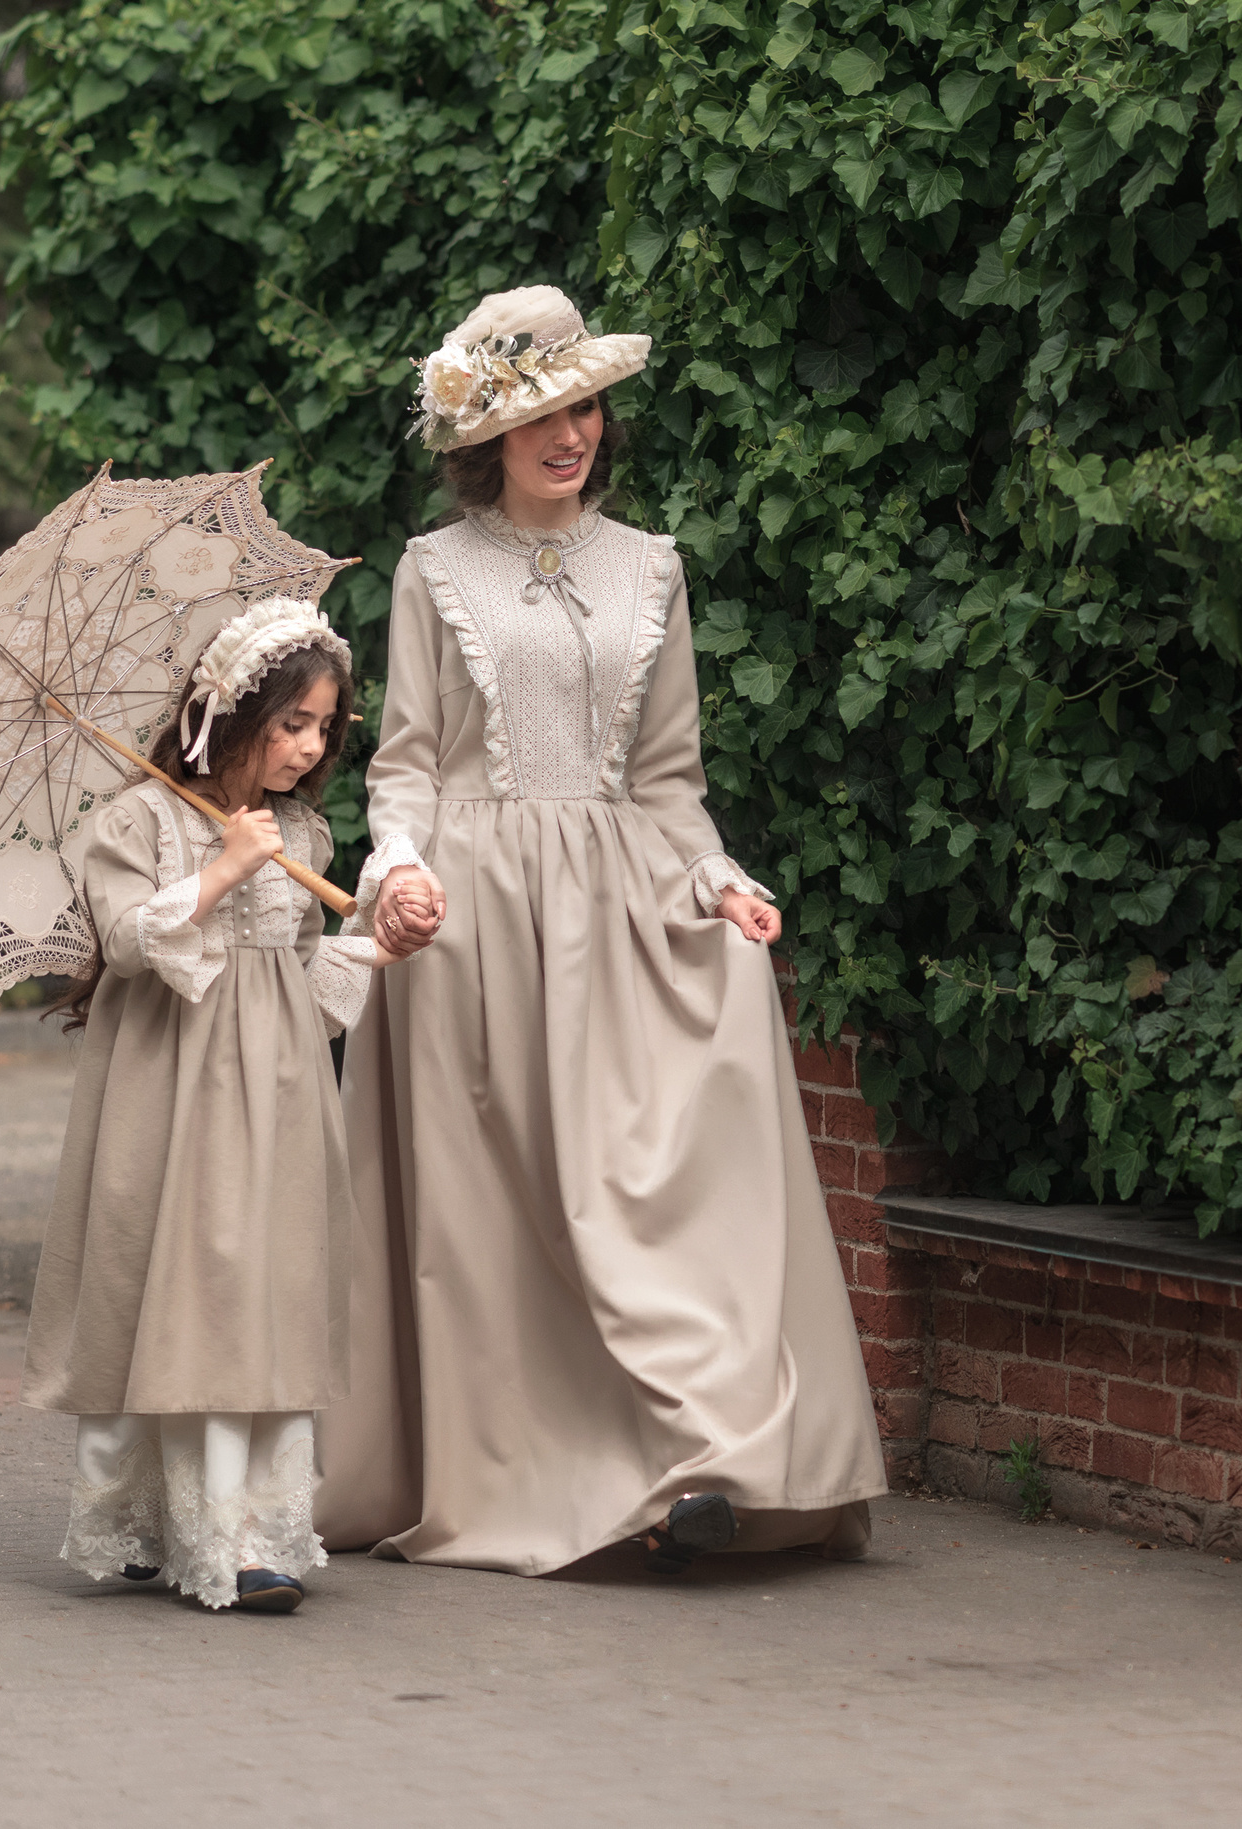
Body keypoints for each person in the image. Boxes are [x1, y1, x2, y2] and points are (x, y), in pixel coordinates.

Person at [315, 285, 888, 1576]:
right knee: (510, 1217)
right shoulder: (431, 569)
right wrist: (395, 868)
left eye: (583, 406)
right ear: (488, 438)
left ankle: (710, 1462)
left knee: (654, 1175)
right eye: (539, 415)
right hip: (471, 913)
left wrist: (719, 883)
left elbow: (670, 777)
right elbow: (402, 766)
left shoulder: (656, 565)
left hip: (619, 903)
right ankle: (530, 1470)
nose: (571, 433)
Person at [22, 597, 400, 1613]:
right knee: (186, 1288)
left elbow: (304, 980)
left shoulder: (304, 833)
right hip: (175, 1094)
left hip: (276, 1096)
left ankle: (257, 1522)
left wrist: (379, 942)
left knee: (261, 1285)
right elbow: (133, 938)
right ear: (228, 714)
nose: (309, 744)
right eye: (290, 722)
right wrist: (217, 870)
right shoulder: (141, 819)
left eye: (324, 725)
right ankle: (197, 1531)